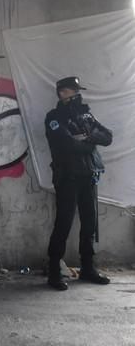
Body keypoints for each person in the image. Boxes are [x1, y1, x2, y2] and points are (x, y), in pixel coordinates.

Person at [45, 76, 113, 291]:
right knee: (63, 223)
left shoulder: (86, 114)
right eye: (72, 91)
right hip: (68, 177)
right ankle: (54, 272)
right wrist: (89, 143)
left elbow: (108, 136)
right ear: (62, 92)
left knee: (90, 223)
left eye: (77, 91)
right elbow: (67, 144)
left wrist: (88, 137)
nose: (76, 95)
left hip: (88, 175)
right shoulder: (54, 117)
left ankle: (88, 269)